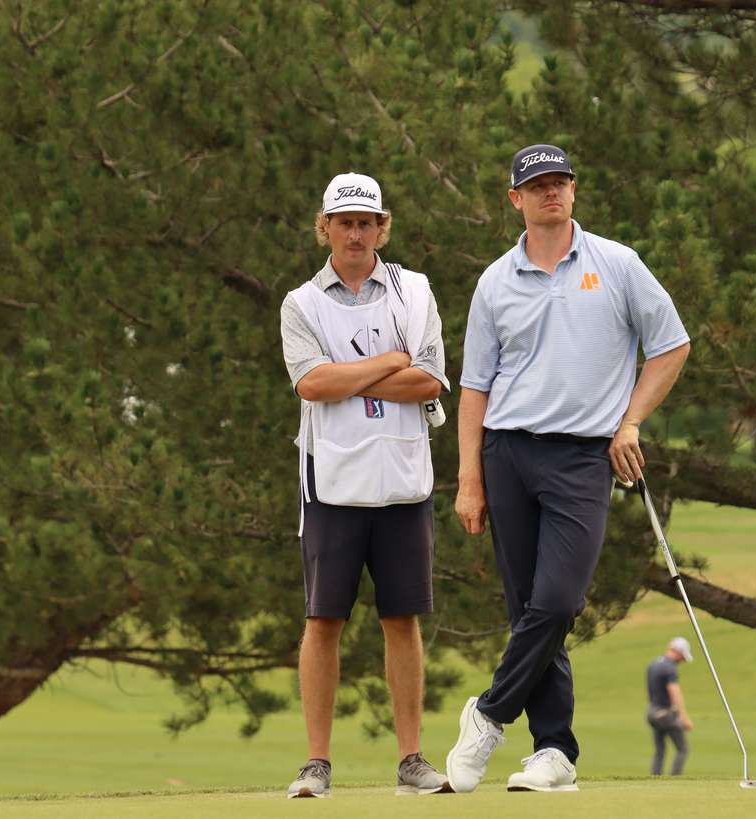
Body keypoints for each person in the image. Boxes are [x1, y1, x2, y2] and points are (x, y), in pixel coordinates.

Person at [444, 144, 691, 793]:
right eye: (538, 185)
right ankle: (553, 749)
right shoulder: (496, 280)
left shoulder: (617, 265)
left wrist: (630, 419)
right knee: (526, 605)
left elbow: (672, 345)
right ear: (516, 199)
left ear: (574, 191)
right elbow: (474, 386)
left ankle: (489, 712)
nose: (551, 192)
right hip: (507, 452)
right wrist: (469, 476)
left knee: (558, 600)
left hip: (585, 454)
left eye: (561, 182)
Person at [280, 172, 451, 798]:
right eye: (344, 221)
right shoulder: (301, 303)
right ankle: (316, 763)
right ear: (324, 227)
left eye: (366, 222)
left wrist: (348, 374)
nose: (356, 232)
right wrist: (387, 363)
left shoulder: (416, 291)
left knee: (401, 618)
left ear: (383, 227)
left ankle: (411, 759)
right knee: (323, 619)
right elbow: (311, 385)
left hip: (403, 479)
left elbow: (430, 381)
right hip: (331, 480)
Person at [646, 637, 695, 776]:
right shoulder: (670, 668)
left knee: (660, 750)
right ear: (678, 652)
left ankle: (654, 777)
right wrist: (683, 718)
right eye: (683, 657)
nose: (682, 661)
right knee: (682, 749)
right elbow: (675, 693)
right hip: (665, 714)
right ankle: (675, 778)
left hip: (652, 712)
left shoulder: (654, 663)